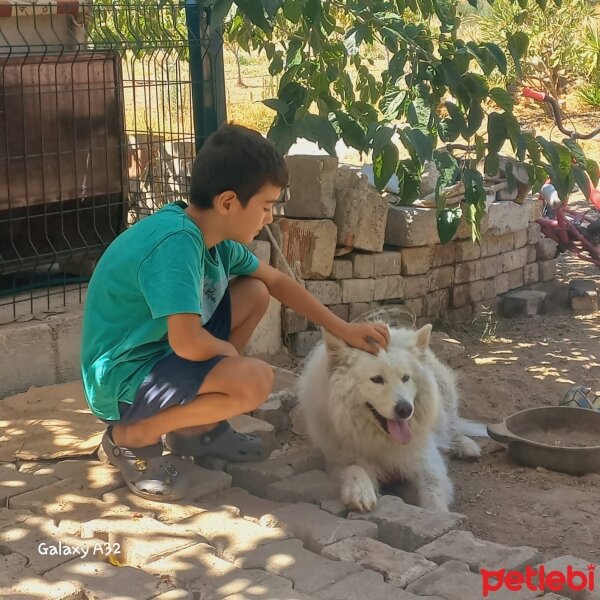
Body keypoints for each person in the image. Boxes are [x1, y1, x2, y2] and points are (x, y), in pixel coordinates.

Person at [81, 123, 390, 502]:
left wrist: (342, 328)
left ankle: (196, 428)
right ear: (228, 202)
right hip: (120, 381)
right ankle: (132, 438)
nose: (271, 218)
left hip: (157, 355)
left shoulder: (214, 238)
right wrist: (228, 363)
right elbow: (187, 341)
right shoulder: (176, 243)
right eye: (265, 206)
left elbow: (276, 282)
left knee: (255, 292)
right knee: (254, 381)